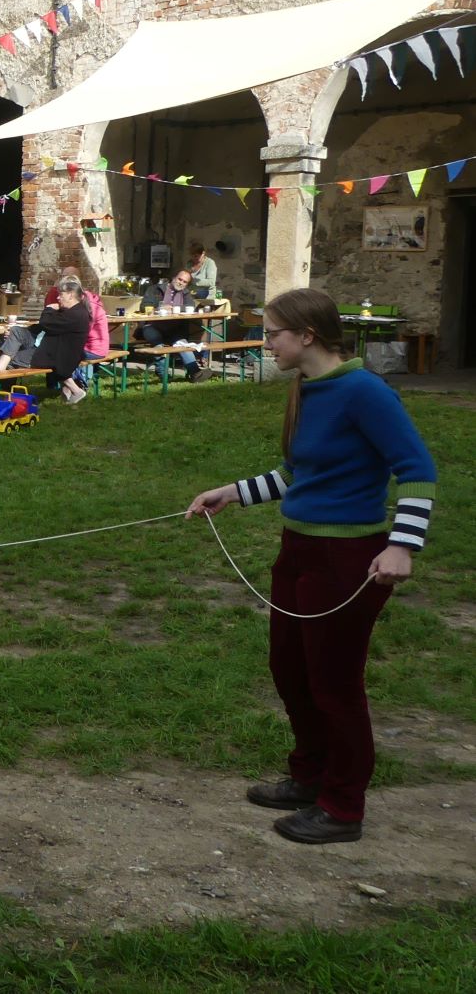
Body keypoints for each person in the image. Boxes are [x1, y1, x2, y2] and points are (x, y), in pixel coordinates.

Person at [185, 288, 435, 845]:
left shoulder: (365, 391)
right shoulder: (307, 387)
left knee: (334, 683)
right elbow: (298, 474)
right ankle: (311, 776)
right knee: (290, 669)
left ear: (307, 335)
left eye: (273, 333)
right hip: (298, 549)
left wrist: (402, 546)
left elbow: (417, 470)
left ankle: (343, 807)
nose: (266, 342)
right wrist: (233, 492)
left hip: (347, 557)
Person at [0, 277, 92, 405]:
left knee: (10, 358)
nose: (58, 298)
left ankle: (5, 396)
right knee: (16, 331)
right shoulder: (72, 311)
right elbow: (44, 326)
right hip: (46, 347)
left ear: (70, 295)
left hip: (53, 356)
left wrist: (49, 309)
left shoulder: (76, 314)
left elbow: (46, 323)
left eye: (61, 295)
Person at [138, 268, 211, 383]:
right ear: (173, 278)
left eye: (184, 282)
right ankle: (163, 375)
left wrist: (173, 308)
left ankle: (195, 373)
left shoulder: (185, 293)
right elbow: (144, 306)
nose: (181, 283)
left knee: (182, 345)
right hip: (152, 326)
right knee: (158, 343)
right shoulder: (155, 289)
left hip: (174, 329)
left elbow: (190, 306)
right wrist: (159, 308)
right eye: (179, 279)